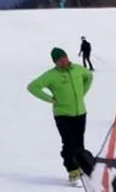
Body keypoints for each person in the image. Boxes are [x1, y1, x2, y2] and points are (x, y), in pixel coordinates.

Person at [26, 47, 94, 184]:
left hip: (80, 112)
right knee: (69, 143)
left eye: (64, 58)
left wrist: (83, 93)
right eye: (59, 60)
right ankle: (73, 172)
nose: (63, 61)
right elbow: (33, 87)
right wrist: (50, 99)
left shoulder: (78, 69)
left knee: (79, 143)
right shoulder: (51, 75)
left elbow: (89, 77)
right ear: (55, 62)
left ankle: (82, 168)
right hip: (63, 114)